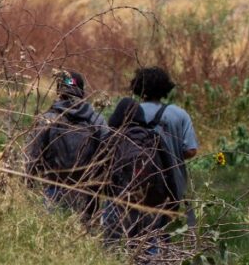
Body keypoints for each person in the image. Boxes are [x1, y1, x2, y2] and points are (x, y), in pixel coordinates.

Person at [98, 97, 182, 250]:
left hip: (118, 202)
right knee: (148, 245)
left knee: (112, 248)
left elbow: (96, 175)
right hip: (150, 203)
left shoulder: (112, 139)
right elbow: (170, 173)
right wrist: (173, 206)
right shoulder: (154, 138)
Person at [24, 70, 107, 217]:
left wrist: (26, 184)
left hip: (54, 189)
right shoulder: (97, 121)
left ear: (58, 91)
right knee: (84, 236)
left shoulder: (48, 118)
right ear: (82, 92)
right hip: (87, 195)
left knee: (52, 233)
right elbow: (108, 153)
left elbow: (32, 155)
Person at [129, 67, 198, 226]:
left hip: (135, 183)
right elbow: (190, 150)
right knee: (164, 230)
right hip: (171, 184)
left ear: (138, 88)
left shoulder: (130, 112)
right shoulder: (179, 114)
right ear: (165, 88)